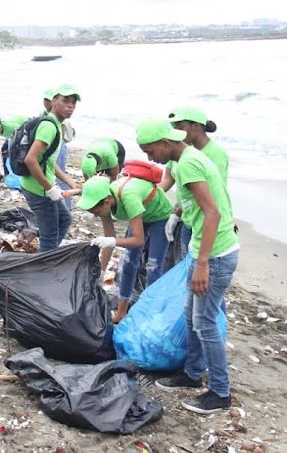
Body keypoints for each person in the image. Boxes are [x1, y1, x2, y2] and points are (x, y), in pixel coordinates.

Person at [135, 118, 238, 415]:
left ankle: (220, 392)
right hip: (202, 249)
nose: (149, 157)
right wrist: (177, 214)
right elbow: (198, 203)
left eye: (150, 150)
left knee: (205, 323)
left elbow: (212, 213)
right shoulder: (186, 160)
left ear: (166, 143)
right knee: (189, 314)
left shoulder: (189, 163)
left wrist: (203, 263)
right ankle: (192, 375)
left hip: (216, 254)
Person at [77, 172, 172, 323]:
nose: (95, 215)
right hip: (141, 215)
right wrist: (100, 272)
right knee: (128, 265)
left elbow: (138, 240)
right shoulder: (103, 200)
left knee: (153, 267)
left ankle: (148, 317)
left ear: (107, 202)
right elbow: (109, 237)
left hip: (159, 216)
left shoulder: (129, 198)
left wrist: (113, 241)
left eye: (95, 212)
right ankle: (121, 313)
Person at [160, 107, 230, 258]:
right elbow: (168, 178)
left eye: (180, 128)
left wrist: (177, 212)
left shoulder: (214, 153)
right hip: (187, 216)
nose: (176, 133)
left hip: (204, 221)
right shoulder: (178, 150)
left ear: (196, 126)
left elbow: (215, 194)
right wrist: (150, 195)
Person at [20, 84, 82, 252]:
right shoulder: (49, 127)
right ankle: (45, 265)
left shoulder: (55, 124)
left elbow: (47, 160)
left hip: (41, 186)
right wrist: (49, 189)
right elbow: (30, 159)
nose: (70, 106)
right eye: (65, 101)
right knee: (50, 236)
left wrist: (70, 183)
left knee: (64, 219)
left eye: (73, 103)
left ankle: (49, 256)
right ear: (54, 101)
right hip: (38, 190)